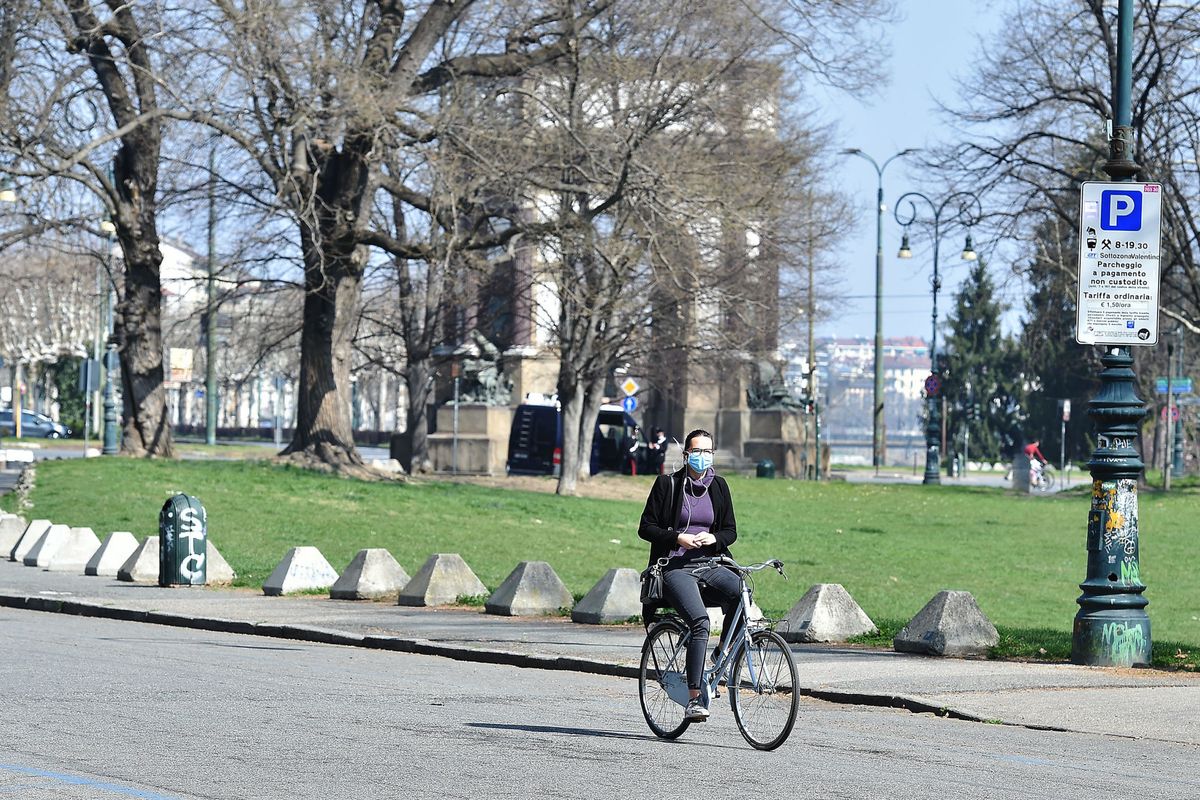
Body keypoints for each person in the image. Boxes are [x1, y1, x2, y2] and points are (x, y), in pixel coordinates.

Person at [637, 428, 739, 722]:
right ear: (686, 455)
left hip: (709, 563)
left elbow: (730, 531)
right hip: (675, 567)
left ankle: (720, 656)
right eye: (697, 452)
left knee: (741, 593)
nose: (702, 457)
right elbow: (646, 528)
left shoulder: (719, 486)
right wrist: (677, 538)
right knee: (700, 622)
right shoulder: (667, 484)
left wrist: (714, 540)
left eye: (708, 452)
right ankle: (695, 697)